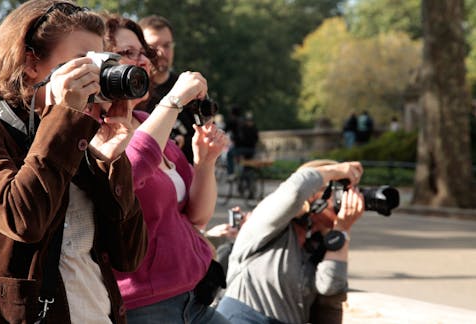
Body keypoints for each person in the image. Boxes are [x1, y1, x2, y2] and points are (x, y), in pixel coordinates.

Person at [0, 1, 148, 322]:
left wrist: (110, 158)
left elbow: (129, 256)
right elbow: (23, 219)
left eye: (100, 63)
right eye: (82, 63)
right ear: (31, 63)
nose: (95, 76)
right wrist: (66, 117)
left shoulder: (78, 139)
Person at [102, 14, 230, 323]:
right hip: (143, 307)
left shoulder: (148, 123)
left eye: (143, 52)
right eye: (128, 53)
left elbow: (197, 216)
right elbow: (126, 178)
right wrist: (172, 101)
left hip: (193, 297)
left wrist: (204, 164)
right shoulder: (95, 132)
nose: (143, 61)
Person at [216, 160, 365, 324]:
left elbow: (330, 285)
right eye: (340, 192)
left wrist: (342, 229)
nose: (349, 200)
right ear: (314, 195)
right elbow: (294, 191)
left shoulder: (317, 245)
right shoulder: (265, 223)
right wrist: (337, 170)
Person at [137, 14, 196, 164]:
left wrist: (184, 141)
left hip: (186, 179)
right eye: (154, 46)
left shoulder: (187, 87)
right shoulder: (132, 91)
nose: (161, 52)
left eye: (167, 45)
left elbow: (206, 137)